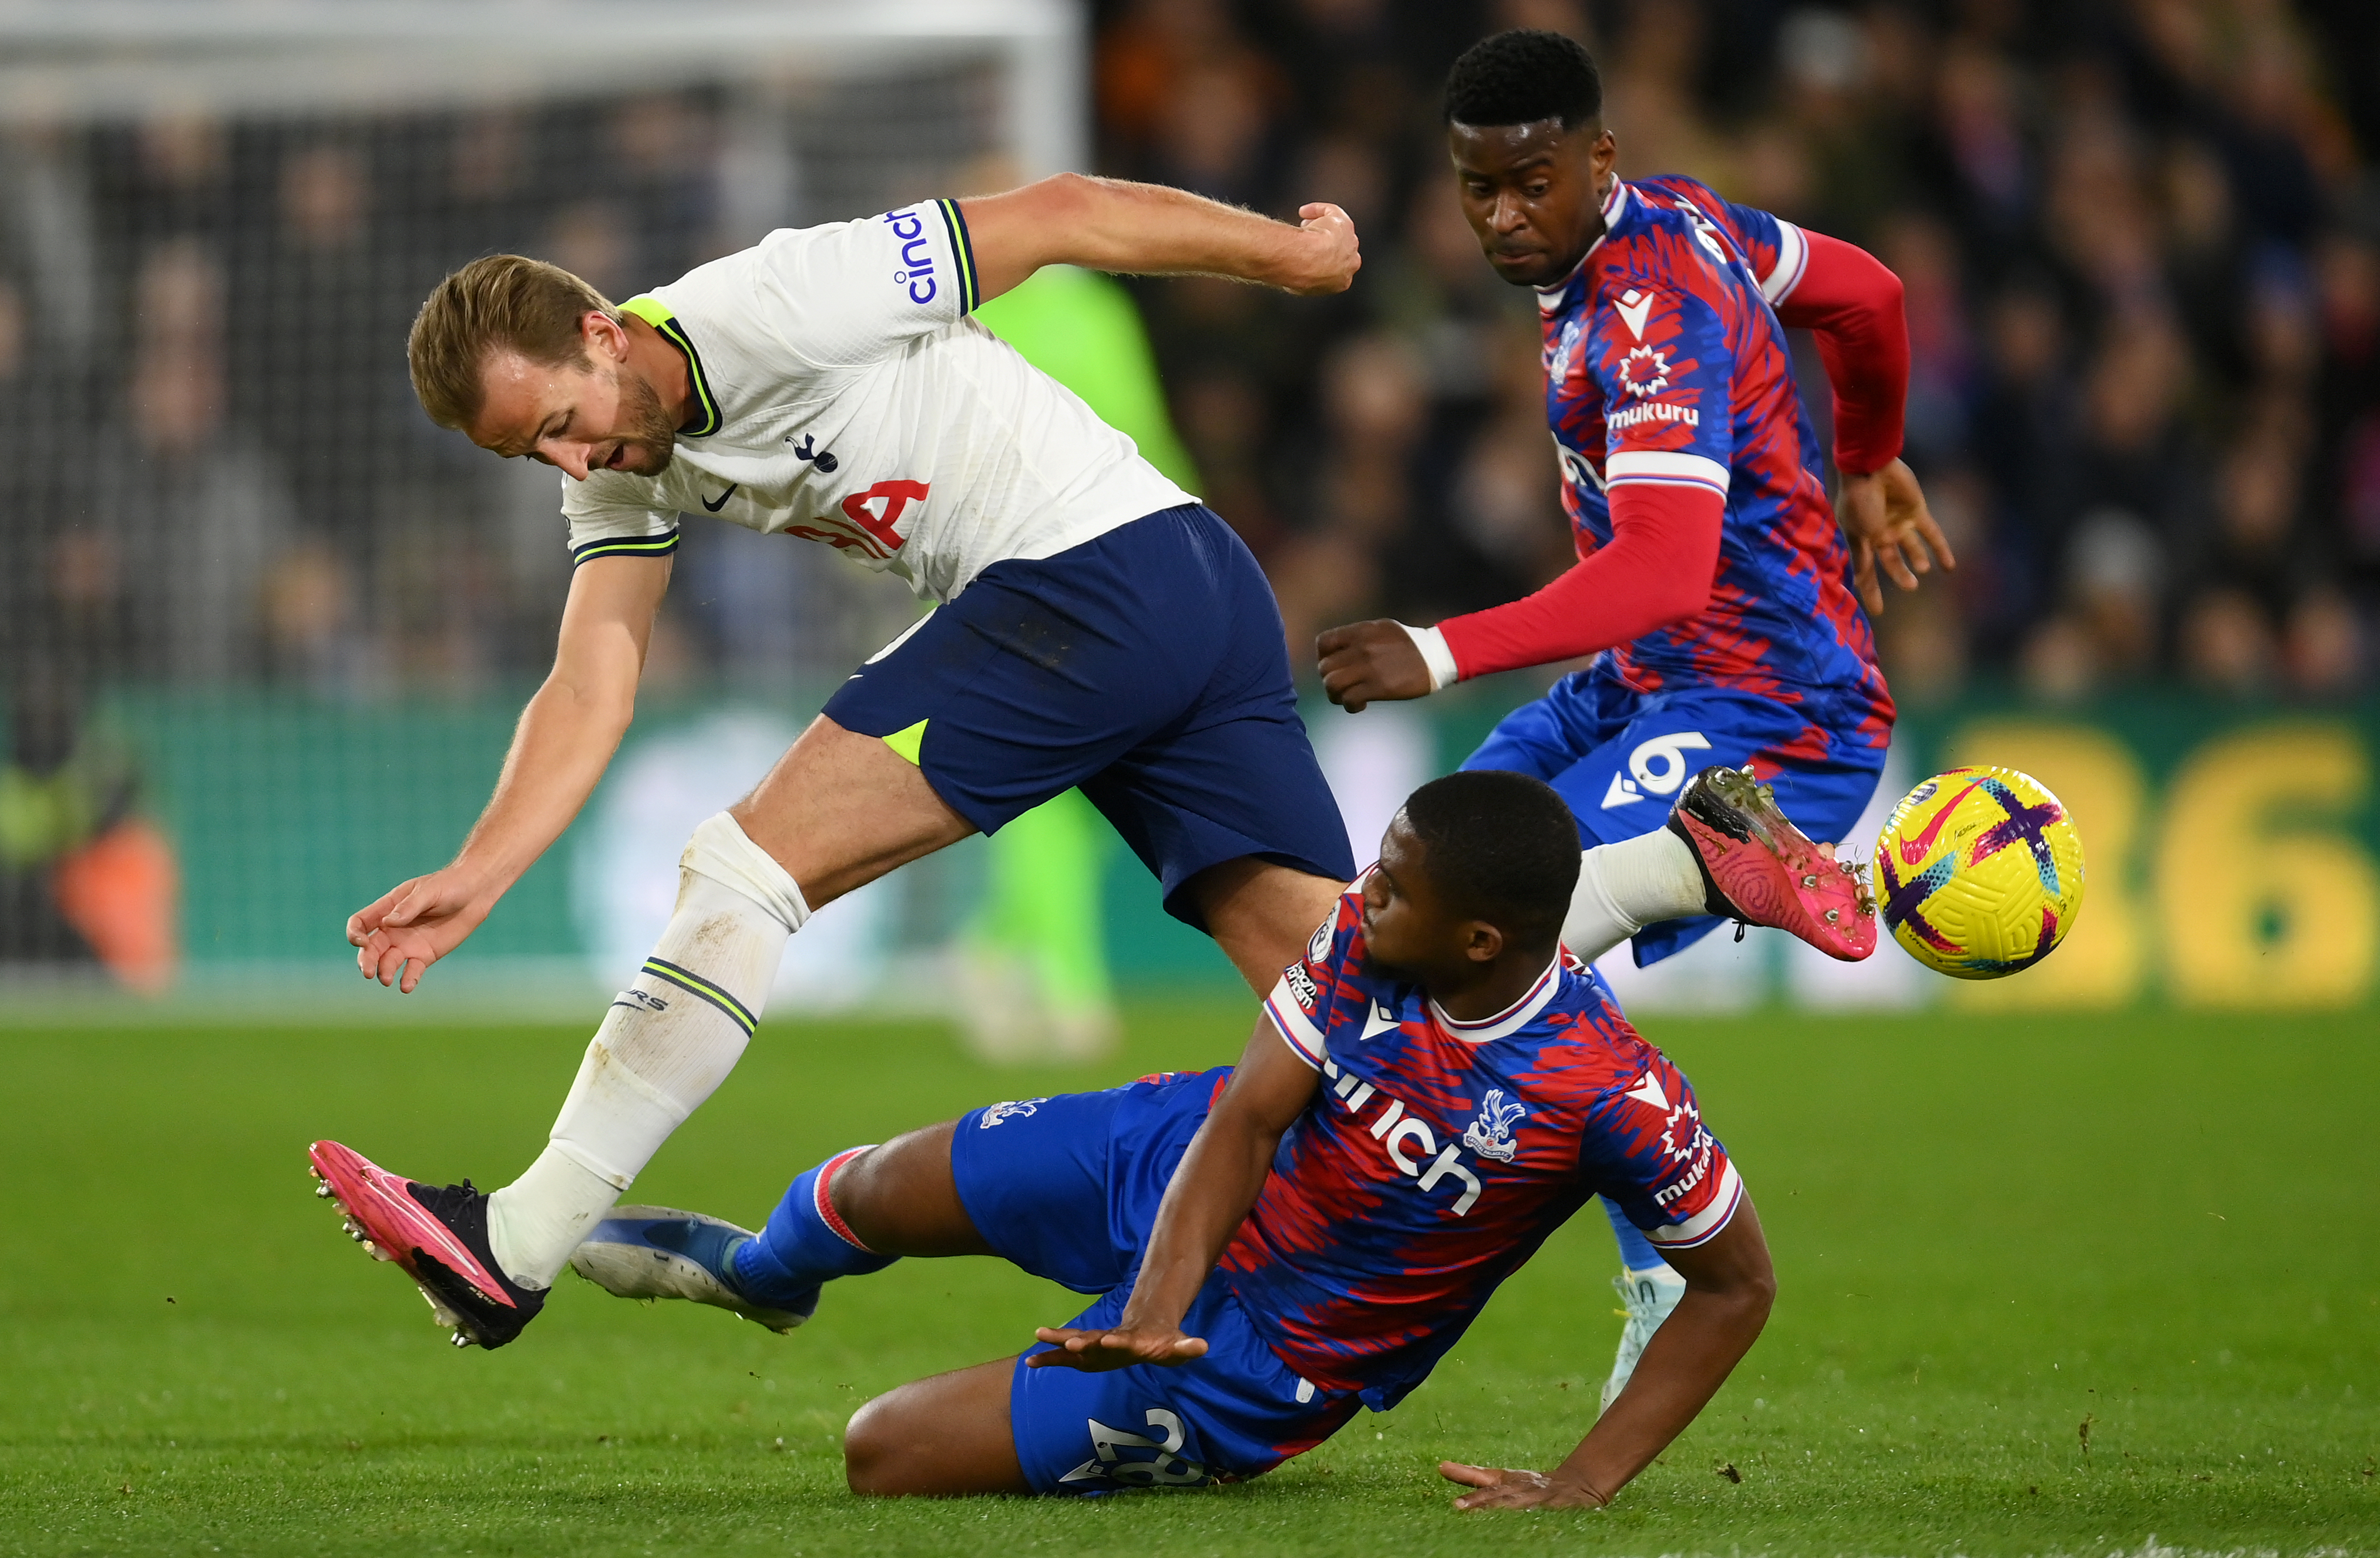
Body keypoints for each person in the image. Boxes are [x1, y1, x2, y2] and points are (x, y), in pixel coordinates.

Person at [314, 175, 1373, 1350]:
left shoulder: (777, 303)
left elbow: (1061, 214)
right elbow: (590, 676)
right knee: (1364, 1021)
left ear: (600, 332)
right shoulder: (621, 464)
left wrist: (1292, 259)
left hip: (1088, 576)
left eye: (561, 422)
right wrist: (484, 865)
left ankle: (515, 1245)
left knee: (740, 872)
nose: (573, 465)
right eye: (533, 457)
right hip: (1187, 587)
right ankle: (1581, 1186)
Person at [563, 771, 1774, 1506]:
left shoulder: (1612, 1094)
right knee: (875, 1189)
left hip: (1260, 1358)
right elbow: (1249, 1120)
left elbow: (1736, 1286)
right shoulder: (1367, 935)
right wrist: (1154, 1293)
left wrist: (1581, 1483)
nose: (1363, 894)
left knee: (878, 1455)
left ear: (1476, 943)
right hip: (1180, 1157)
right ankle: (761, 1279)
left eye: (1395, 889)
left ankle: (1154, 1400)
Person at [1312, 31, 1951, 1409]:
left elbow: (1662, 562)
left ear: (1597, 159)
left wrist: (1438, 649)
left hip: (1774, 706)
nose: (1500, 216)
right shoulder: (1684, 218)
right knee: (1422, 891)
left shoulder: (1651, 306)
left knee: (1519, 939)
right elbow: (1867, 297)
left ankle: (1670, 1273)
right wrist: (1871, 454)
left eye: (1529, 184)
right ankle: (1307, 1200)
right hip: (1656, 681)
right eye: (1476, 190)